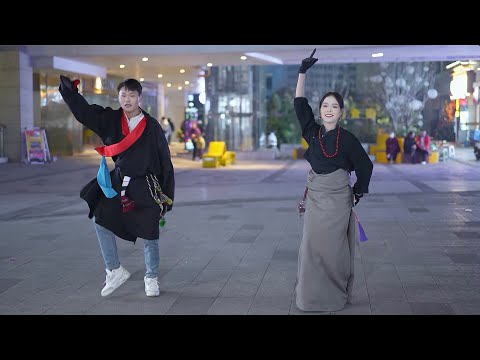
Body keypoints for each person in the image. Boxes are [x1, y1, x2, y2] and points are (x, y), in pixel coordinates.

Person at [59, 76, 175, 298]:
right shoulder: (111, 119)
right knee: (100, 218)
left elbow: (165, 161)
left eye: (132, 95)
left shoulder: (151, 126)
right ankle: (114, 270)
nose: (127, 99)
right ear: (119, 97)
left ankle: (151, 277)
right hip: (119, 182)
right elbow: (85, 113)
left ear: (139, 98)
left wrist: (167, 196)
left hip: (147, 184)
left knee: (150, 233)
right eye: (123, 95)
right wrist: (70, 94)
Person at [293, 49, 373, 312]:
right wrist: (302, 72)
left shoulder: (347, 139)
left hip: (338, 201)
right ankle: (310, 297)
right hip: (316, 199)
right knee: (310, 249)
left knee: (334, 251)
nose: (329, 110)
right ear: (320, 111)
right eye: (325, 106)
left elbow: (365, 166)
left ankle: (335, 293)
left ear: (341, 112)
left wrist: (358, 192)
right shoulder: (312, 132)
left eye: (334, 106)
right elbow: (299, 104)